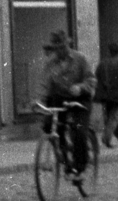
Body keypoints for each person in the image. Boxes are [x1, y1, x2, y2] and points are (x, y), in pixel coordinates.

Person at [39, 28, 96, 183]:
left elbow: (91, 80)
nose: (59, 51)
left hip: (80, 99)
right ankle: (66, 163)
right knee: (50, 126)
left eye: (62, 47)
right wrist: (38, 100)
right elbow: (45, 84)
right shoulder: (50, 63)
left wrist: (80, 87)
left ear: (67, 45)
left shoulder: (80, 59)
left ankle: (80, 167)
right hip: (60, 98)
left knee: (78, 131)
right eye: (56, 48)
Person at [94, 43, 118, 149]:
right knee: (113, 118)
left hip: (105, 95)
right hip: (117, 95)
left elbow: (97, 77)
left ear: (109, 52)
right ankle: (106, 138)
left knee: (110, 117)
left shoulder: (102, 63)